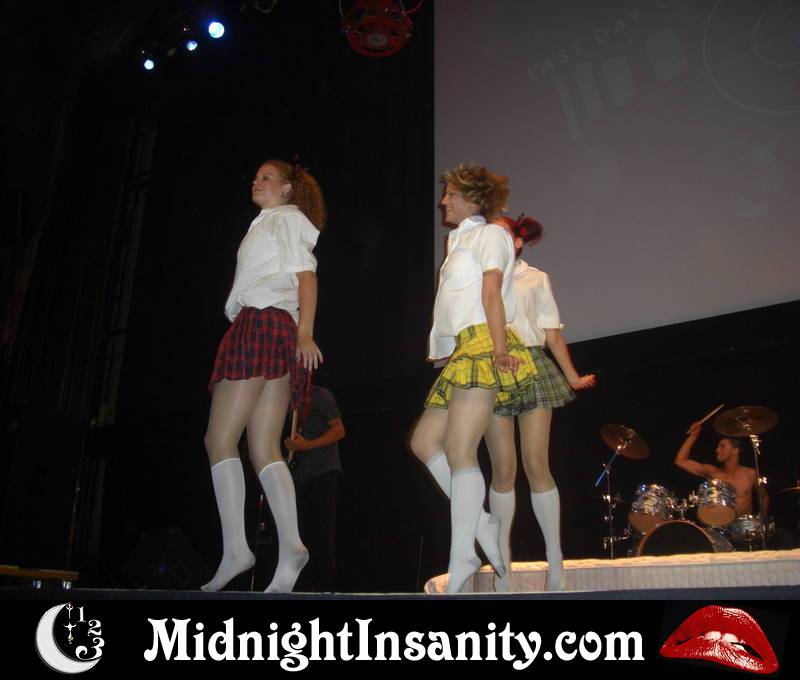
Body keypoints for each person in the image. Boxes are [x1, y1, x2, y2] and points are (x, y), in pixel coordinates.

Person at [410, 163, 538, 594]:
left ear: (473, 198)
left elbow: (491, 292)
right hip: (464, 346)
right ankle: (483, 524)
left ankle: (463, 553)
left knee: (459, 449)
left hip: (485, 341)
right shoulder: (457, 239)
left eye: (450, 194)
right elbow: (454, 300)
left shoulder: (492, 235)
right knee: (423, 442)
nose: (443, 201)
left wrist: (500, 348)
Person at [202, 158, 326, 593]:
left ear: (287, 188)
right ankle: (291, 545)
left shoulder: (285, 219)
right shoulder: (269, 222)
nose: (256, 181)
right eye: (255, 177)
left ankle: (237, 548)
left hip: (262, 323)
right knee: (262, 447)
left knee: (219, 439)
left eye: (266, 177)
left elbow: (307, 277)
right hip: (276, 327)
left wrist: (305, 332)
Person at [482, 214, 596, 592]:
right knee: (502, 469)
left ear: (517, 241)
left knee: (536, 463)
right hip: (493, 369)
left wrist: (572, 376)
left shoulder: (536, 277)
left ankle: (555, 559)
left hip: (531, 364)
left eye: (501, 233)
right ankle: (502, 568)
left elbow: (552, 334)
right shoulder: (481, 276)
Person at [284, 385, 345, 591]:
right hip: (301, 475)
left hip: (324, 471)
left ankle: (324, 584)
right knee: (302, 530)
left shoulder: (320, 396)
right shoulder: (289, 401)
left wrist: (306, 445)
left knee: (322, 530)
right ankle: (303, 582)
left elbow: (339, 430)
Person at [674, 421, 763, 516]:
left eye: (722, 447)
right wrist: (693, 436)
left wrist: (761, 518)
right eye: (718, 446)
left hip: (746, 524)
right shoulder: (713, 473)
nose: (717, 450)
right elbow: (680, 461)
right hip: (720, 523)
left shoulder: (751, 474)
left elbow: (764, 496)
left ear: (735, 451)